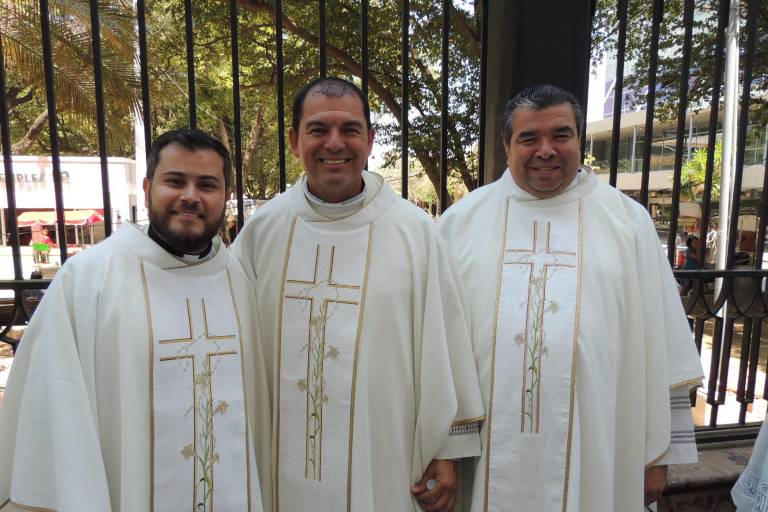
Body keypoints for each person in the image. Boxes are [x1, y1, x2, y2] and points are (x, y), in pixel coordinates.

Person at [437, 85, 703, 511]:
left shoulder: (626, 222)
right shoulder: (461, 224)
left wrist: (659, 458)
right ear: (507, 145)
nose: (546, 150)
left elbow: (663, 348)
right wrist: (443, 448)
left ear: (580, 140)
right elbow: (437, 353)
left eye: (561, 135)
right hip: (485, 452)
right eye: (529, 138)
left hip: (598, 447)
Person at [231, 76, 484, 512]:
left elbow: (446, 341)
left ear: (369, 139)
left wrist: (445, 450)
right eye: (317, 130)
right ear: (294, 140)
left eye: (350, 129)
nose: (335, 143)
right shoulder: (262, 232)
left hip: (385, 455)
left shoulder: (414, 231)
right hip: (277, 457)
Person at [0, 129, 271, 511]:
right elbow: (54, 402)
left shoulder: (238, 280)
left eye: (206, 184)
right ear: (147, 187)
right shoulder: (89, 279)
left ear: (226, 197)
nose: (190, 196)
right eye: (175, 181)